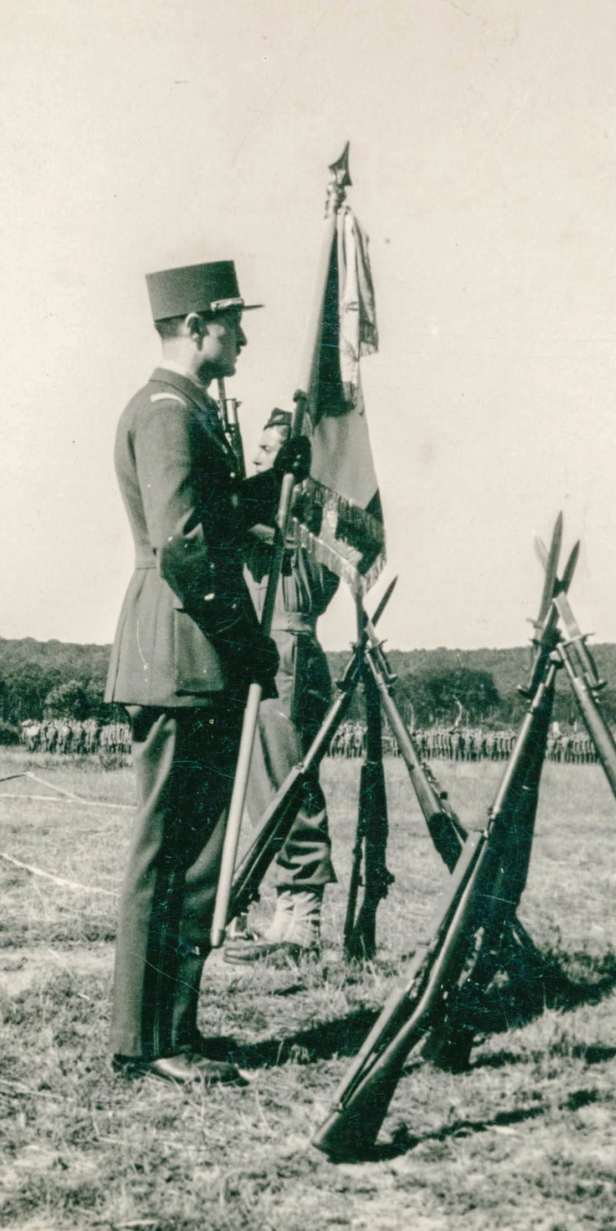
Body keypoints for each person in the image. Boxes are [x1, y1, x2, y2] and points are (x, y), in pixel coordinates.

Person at [105, 259, 309, 1087]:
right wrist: (245, 640)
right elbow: (185, 541)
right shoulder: (164, 412)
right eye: (232, 322)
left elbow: (215, 514)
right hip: (181, 651)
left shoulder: (185, 410)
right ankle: (148, 1039)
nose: (244, 336)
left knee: (194, 855)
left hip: (195, 652)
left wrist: (273, 479)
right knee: (169, 852)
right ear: (197, 327)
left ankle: (172, 1028)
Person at [225, 409, 339, 964]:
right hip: (268, 656)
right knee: (268, 790)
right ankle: (287, 914)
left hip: (289, 656)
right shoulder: (269, 522)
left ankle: (306, 924)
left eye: (269, 454)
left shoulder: (308, 530)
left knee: (291, 785)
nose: (259, 464)